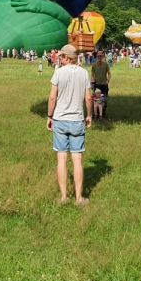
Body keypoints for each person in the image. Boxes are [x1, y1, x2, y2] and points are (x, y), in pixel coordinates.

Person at [46, 44, 92, 205]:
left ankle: (64, 197)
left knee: (61, 158)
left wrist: (50, 116)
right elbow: (88, 98)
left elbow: (52, 98)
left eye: (61, 57)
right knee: (77, 158)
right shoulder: (84, 73)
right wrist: (90, 115)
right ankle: (79, 198)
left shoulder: (58, 73)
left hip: (60, 119)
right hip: (77, 119)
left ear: (67, 57)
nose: (59, 59)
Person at [90, 51, 111, 119]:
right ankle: (96, 113)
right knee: (96, 100)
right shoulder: (94, 65)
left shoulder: (106, 64)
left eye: (101, 56)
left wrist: (108, 80)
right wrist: (92, 82)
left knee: (103, 99)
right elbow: (92, 74)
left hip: (104, 85)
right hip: (96, 84)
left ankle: (103, 113)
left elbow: (109, 73)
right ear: (96, 57)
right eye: (98, 56)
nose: (99, 57)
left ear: (103, 57)